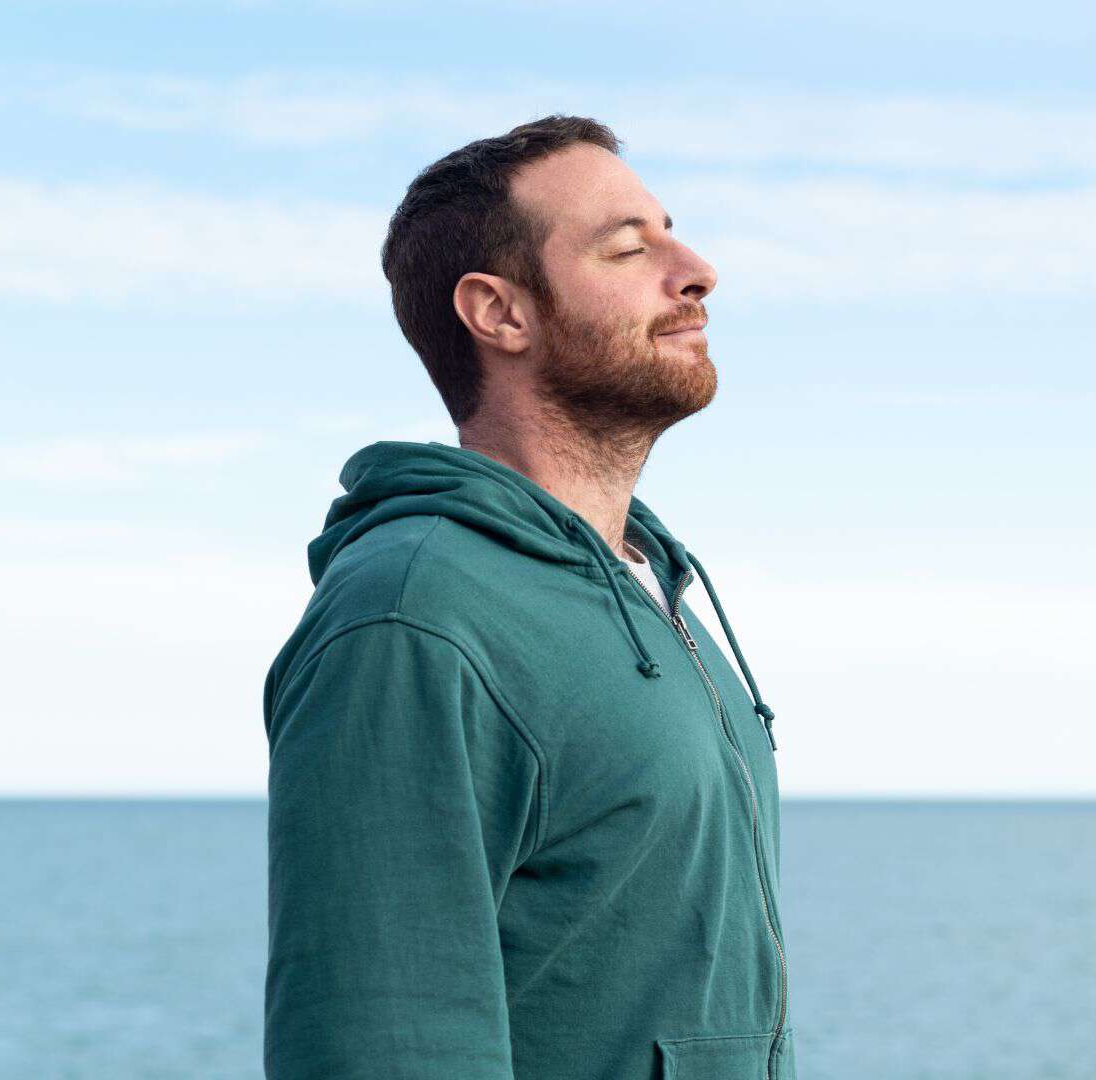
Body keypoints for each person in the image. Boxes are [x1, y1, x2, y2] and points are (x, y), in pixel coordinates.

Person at [261, 115, 794, 1080]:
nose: (697, 269)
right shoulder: (413, 619)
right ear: (500, 313)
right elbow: (386, 1045)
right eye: (630, 248)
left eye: (671, 232)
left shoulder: (651, 589)